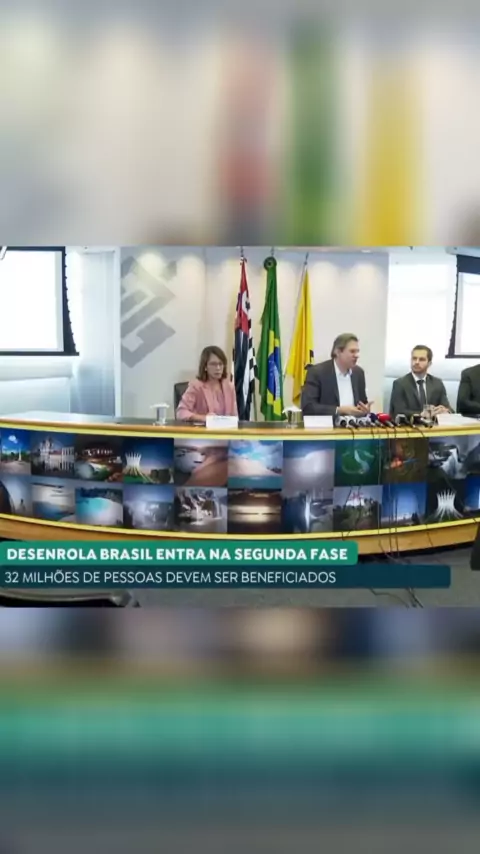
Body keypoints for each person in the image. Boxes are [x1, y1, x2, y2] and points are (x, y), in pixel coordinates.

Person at [301, 333, 371, 417]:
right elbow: (308, 407)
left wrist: (365, 409)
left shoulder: (358, 373)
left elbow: (362, 403)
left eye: (357, 351)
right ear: (337, 352)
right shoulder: (317, 372)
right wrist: (339, 410)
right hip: (327, 425)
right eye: (352, 351)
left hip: (353, 424)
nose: (356, 355)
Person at [176, 345, 238, 422]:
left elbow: (234, 416)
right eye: (213, 364)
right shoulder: (196, 387)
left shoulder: (229, 387)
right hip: (203, 428)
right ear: (205, 366)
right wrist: (204, 418)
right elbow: (181, 412)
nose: (218, 368)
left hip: (226, 428)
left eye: (220, 364)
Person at [389, 345, 451, 420]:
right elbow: (398, 411)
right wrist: (421, 415)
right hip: (410, 425)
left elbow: (447, 408)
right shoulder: (400, 384)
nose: (417, 362)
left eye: (421, 359)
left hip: (433, 425)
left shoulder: (437, 383)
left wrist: (445, 411)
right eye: (414, 358)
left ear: (429, 363)